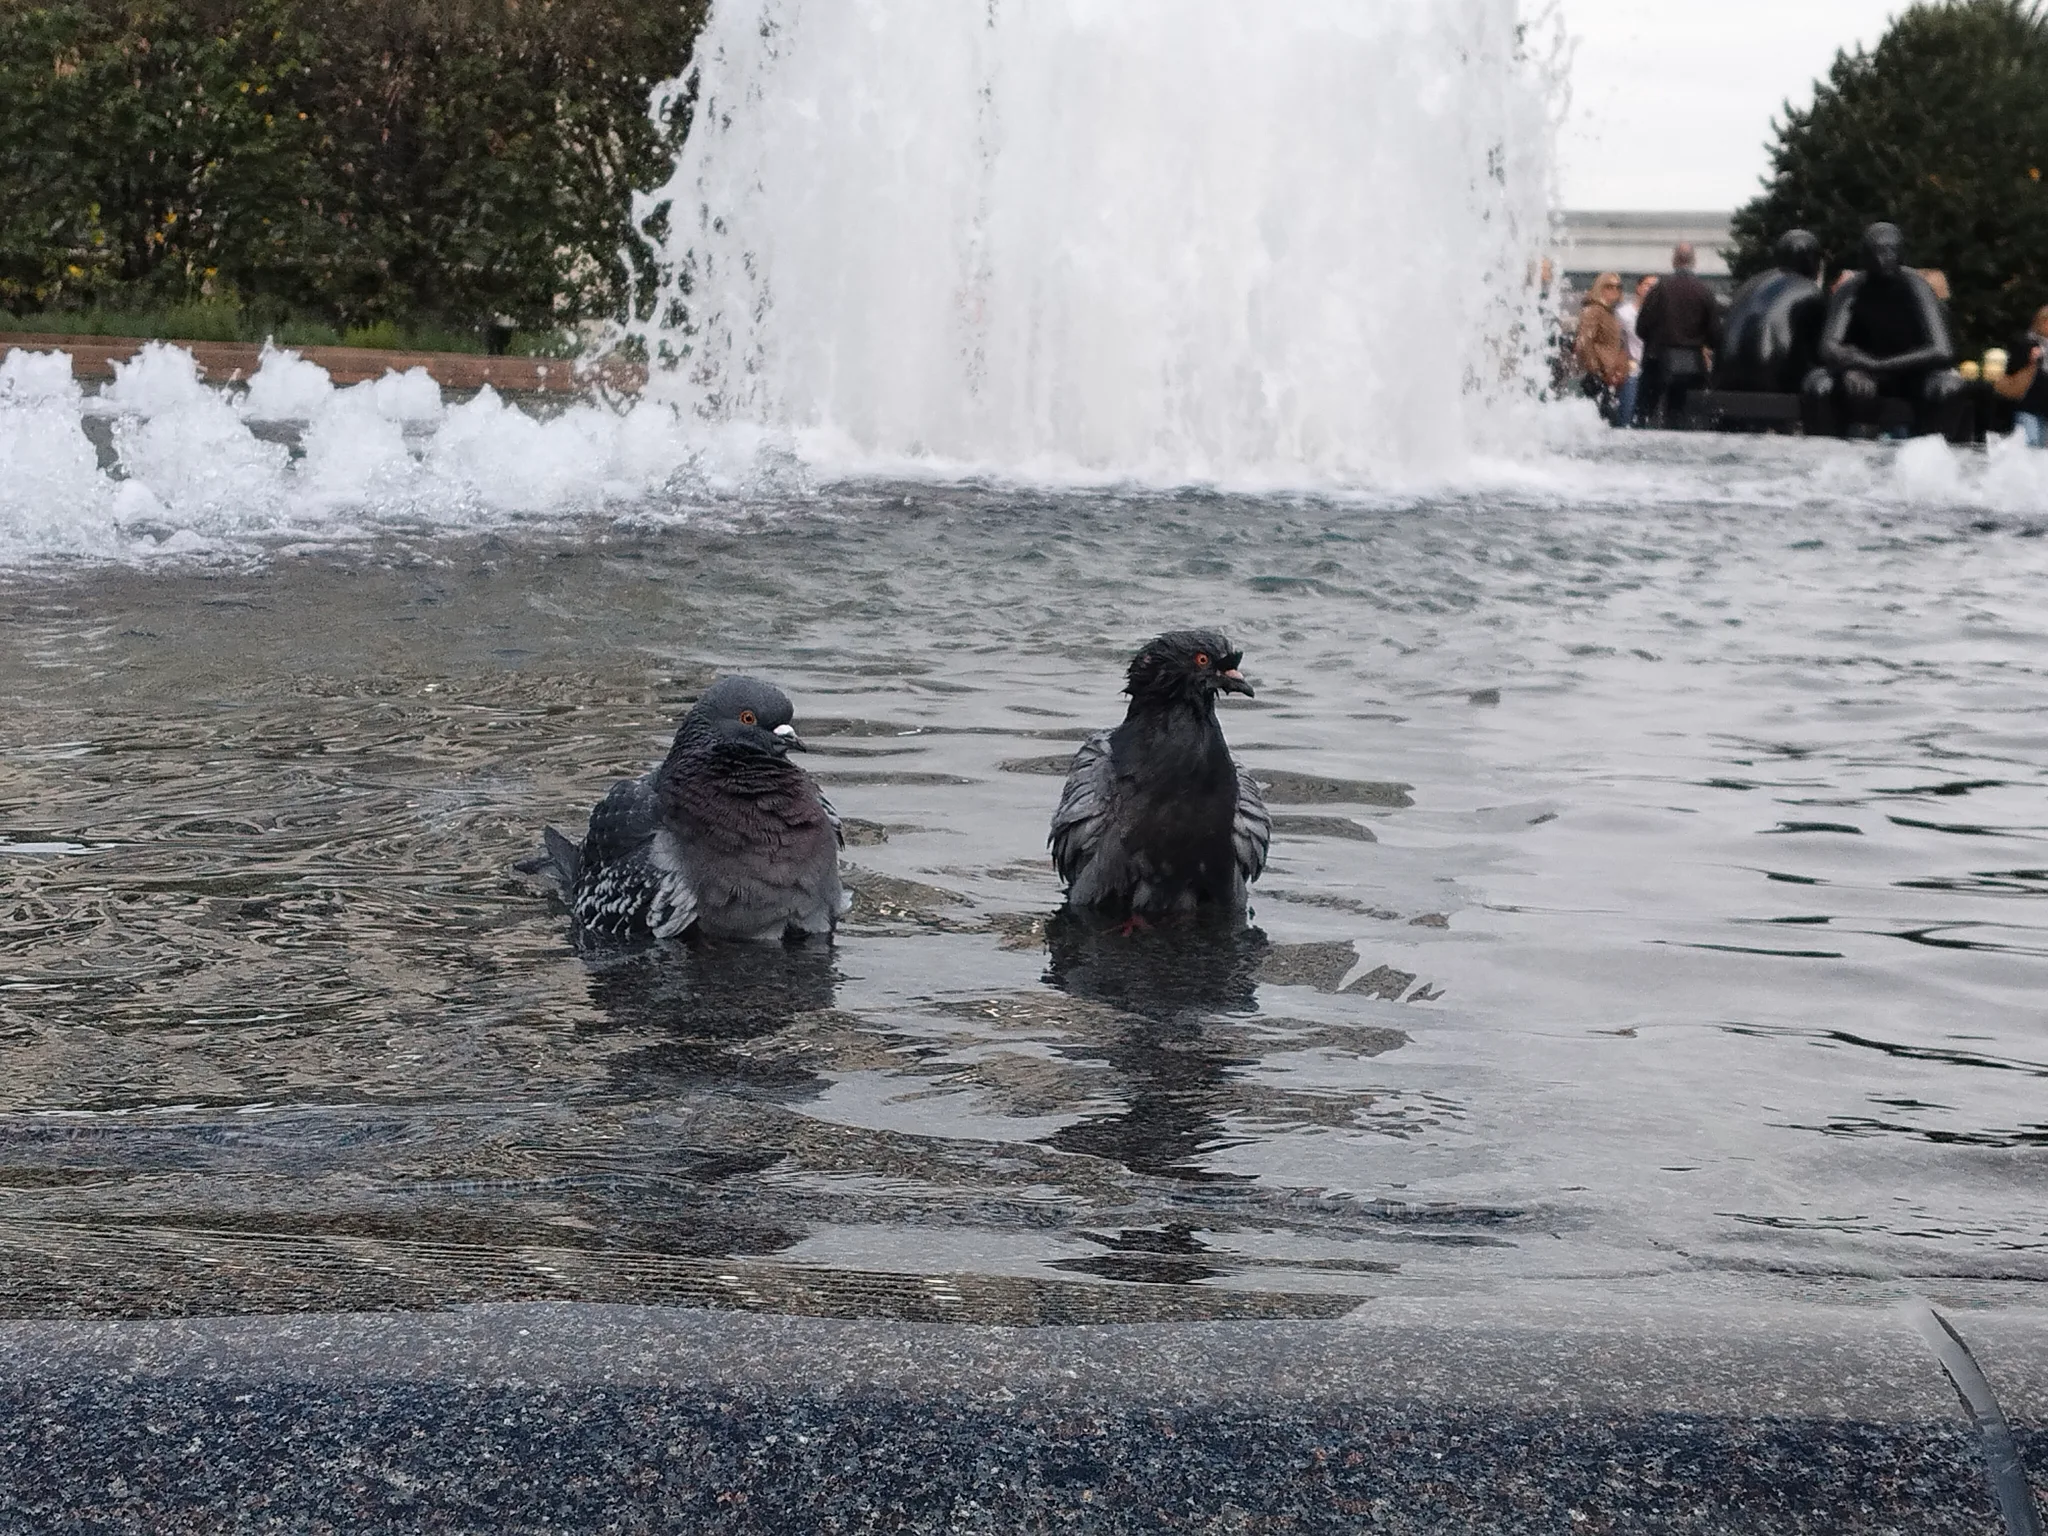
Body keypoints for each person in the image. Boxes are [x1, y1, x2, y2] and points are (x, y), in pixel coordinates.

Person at [1802, 221, 1966, 439]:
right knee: (1818, 384)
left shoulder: (1916, 287)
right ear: (1864, 257)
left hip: (1911, 374)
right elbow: (1828, 347)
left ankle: (1930, 460)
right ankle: (1825, 458)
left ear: (1901, 255)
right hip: (1863, 374)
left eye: (1889, 251)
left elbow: (1942, 351)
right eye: (1876, 252)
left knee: (1949, 387)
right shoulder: (1851, 289)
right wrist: (1852, 368)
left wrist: (1877, 365)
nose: (1882, 259)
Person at [1711, 229, 1825, 394]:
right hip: (1773, 381)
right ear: (1812, 260)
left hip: (1725, 378)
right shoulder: (1810, 290)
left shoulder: (1750, 284)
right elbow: (1819, 350)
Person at [1634, 242, 1723, 426]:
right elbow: (1715, 335)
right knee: (1684, 420)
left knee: (1643, 416)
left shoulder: (1659, 289)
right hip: (1693, 366)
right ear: (1694, 261)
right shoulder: (1704, 291)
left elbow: (1641, 327)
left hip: (1658, 362)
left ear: (1674, 260)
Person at [1573, 272, 1631, 423]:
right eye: (1609, 287)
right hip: (1599, 377)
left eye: (1618, 287)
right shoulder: (1593, 310)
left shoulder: (1610, 313)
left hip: (1612, 378)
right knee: (1602, 419)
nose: (1614, 291)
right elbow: (1584, 342)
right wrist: (1596, 371)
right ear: (1600, 288)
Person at [1998, 304, 2048, 444]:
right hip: (2028, 404)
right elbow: (2011, 370)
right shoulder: (2026, 342)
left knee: (2042, 450)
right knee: (2029, 442)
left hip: (2045, 408)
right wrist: (2029, 360)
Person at [1615, 275, 1655, 427]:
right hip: (1631, 368)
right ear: (1638, 287)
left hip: (1651, 370)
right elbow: (1617, 341)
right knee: (1628, 411)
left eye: (1654, 287)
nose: (1651, 289)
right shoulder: (1624, 313)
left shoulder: (1659, 315)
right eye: (1647, 285)